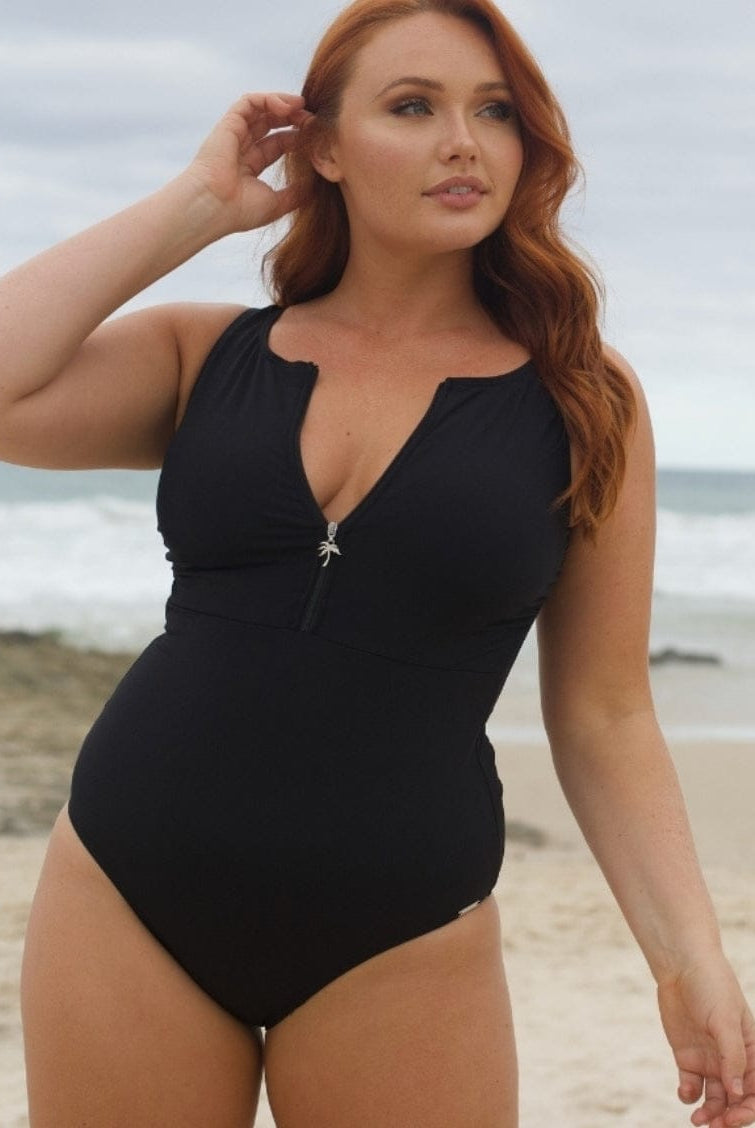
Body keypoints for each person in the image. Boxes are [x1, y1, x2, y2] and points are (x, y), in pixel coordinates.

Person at [2, 0, 753, 1124]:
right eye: (412, 107)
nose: (463, 143)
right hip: (128, 889)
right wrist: (197, 204)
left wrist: (687, 958)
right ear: (325, 149)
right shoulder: (205, 355)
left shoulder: (584, 401)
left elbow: (602, 713)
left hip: (401, 929)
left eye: (493, 112)